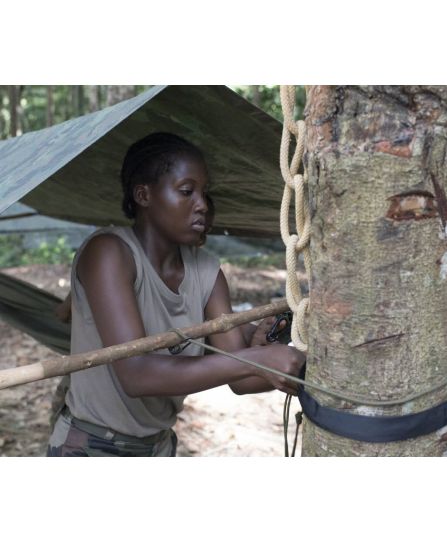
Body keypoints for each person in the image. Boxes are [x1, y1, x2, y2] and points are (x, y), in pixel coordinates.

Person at [47, 132, 305, 457]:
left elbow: (242, 380)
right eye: (187, 191)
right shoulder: (110, 253)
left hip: (159, 445)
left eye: (203, 192)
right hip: (91, 445)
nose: (202, 204)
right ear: (144, 195)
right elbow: (136, 375)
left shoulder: (206, 271)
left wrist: (282, 361)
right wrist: (256, 361)